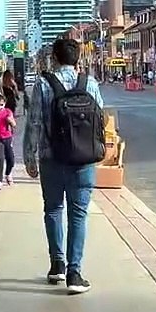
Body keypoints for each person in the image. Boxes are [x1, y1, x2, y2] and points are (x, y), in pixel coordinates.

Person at [24, 37, 104, 295]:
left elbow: (34, 122)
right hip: (83, 160)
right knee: (78, 214)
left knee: (53, 209)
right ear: (77, 59)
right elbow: (100, 119)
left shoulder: (43, 84)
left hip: (51, 158)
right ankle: (74, 273)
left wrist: (29, 157)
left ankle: (57, 264)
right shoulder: (90, 83)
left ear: (55, 58)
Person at [0, 94, 17, 189]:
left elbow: (14, 125)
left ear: (4, 103)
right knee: (0, 158)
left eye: (1, 105)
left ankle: (8, 173)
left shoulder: (8, 111)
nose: (0, 107)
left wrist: (10, 120)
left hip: (8, 138)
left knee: (11, 159)